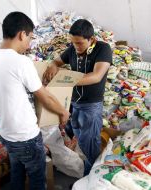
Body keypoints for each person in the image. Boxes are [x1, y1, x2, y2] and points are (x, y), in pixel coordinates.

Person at [0, 12, 69, 190]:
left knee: (17, 172)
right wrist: (63, 112)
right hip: (25, 135)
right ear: (22, 34)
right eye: (29, 37)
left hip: (6, 132)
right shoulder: (21, 62)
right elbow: (45, 97)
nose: (29, 43)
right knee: (37, 180)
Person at [43, 19, 112, 176]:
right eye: (73, 43)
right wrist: (53, 66)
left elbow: (96, 76)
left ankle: (91, 178)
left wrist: (64, 79)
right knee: (78, 137)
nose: (76, 47)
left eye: (79, 43)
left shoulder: (103, 49)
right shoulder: (73, 49)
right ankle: (85, 173)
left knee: (91, 143)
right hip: (74, 102)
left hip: (91, 105)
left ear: (91, 39)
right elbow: (57, 61)